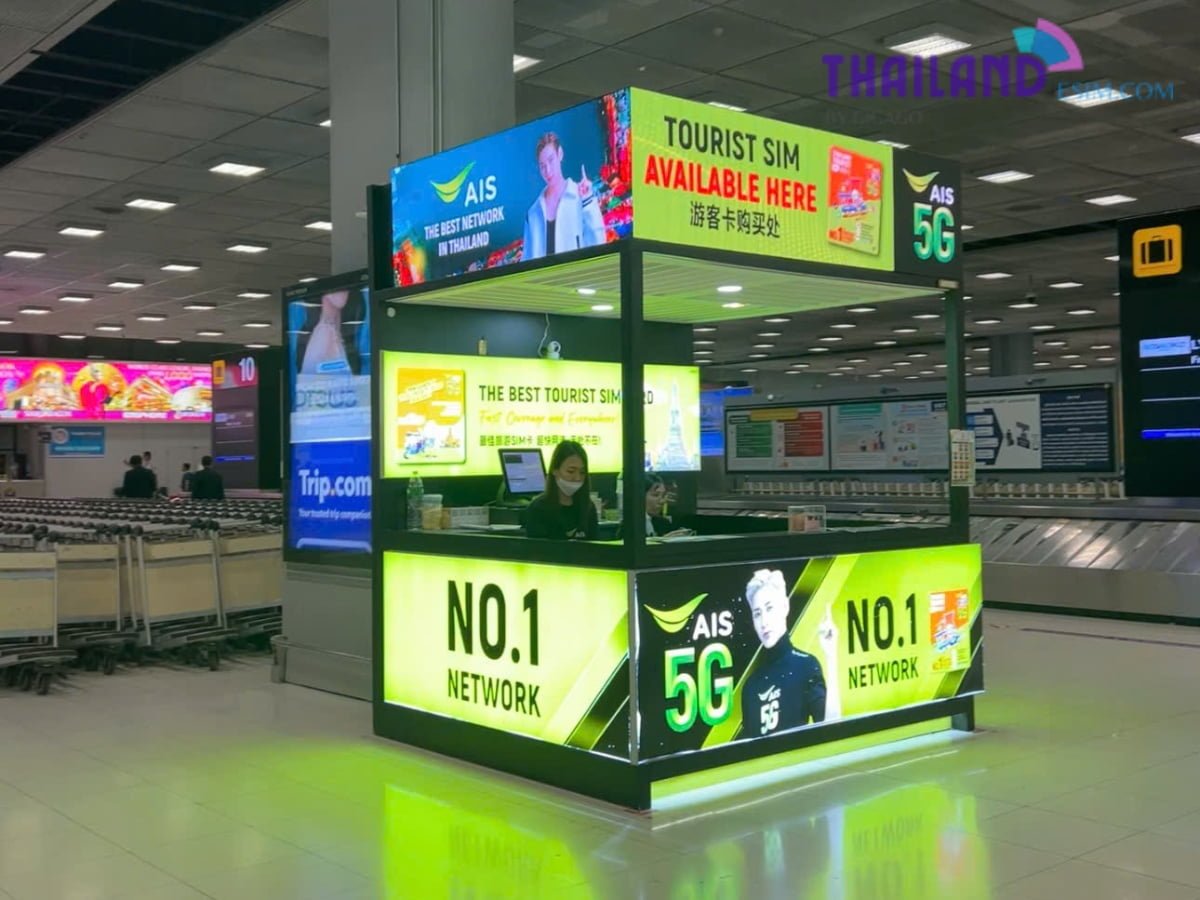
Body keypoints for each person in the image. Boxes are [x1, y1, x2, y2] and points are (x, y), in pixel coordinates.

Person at [740, 569, 829, 739]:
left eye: (769, 608)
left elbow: (831, 730)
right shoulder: (751, 686)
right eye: (757, 614)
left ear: (785, 607)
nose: (764, 622)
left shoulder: (806, 666)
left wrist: (831, 657)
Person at [522, 132, 605, 261]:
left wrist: (588, 200)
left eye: (551, 160)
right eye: (542, 166)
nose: (548, 171)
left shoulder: (580, 197)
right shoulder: (533, 213)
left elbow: (599, 242)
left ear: (560, 154)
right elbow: (526, 261)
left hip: (575, 279)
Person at [522, 440, 597, 540]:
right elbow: (536, 551)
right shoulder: (538, 509)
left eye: (582, 472)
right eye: (571, 471)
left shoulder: (588, 507)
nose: (577, 478)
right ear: (555, 470)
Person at [301, 289, 351, 375]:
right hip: (325, 331)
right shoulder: (324, 331)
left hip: (332, 331)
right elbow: (340, 302)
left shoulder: (335, 320)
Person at [644, 474, 693, 538]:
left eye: (663, 495)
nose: (662, 501)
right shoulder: (628, 525)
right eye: (655, 495)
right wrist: (663, 541)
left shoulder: (663, 523)